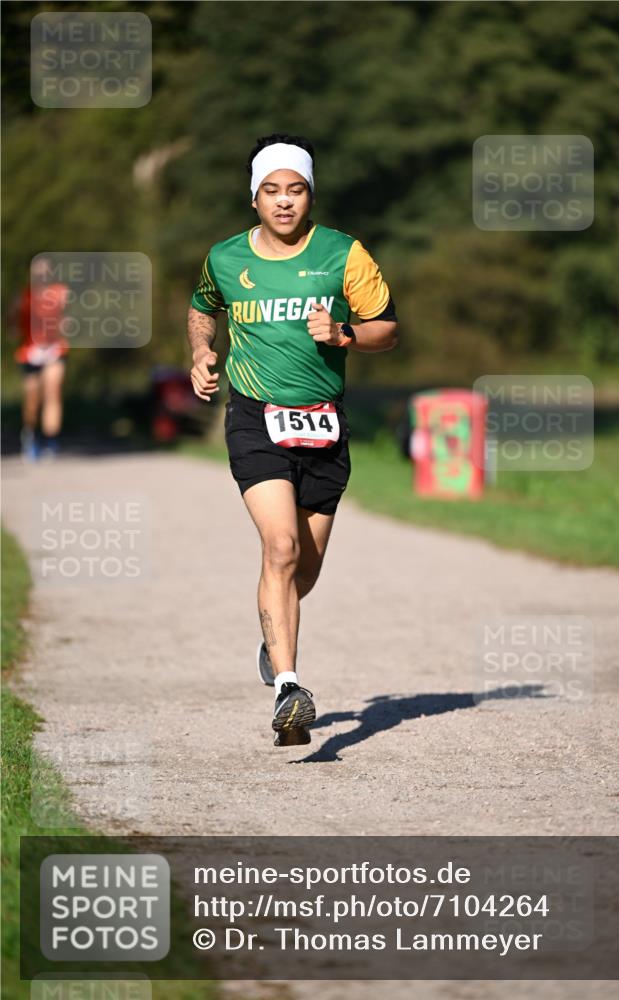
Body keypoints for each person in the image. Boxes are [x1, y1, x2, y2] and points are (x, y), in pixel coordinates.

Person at [188, 133, 398, 746]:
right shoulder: (224, 258)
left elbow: (387, 329)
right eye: (272, 191)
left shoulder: (344, 253)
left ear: (310, 196)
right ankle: (288, 686)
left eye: (295, 190)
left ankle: (272, 629)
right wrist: (202, 350)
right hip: (255, 417)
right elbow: (203, 306)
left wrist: (345, 335)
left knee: (303, 569)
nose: (284, 202)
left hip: (324, 423)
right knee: (278, 548)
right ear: (253, 198)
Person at [13, 256, 69, 461]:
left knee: (53, 391)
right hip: (31, 350)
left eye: (45, 271)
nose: (42, 275)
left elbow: (73, 316)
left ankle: (51, 439)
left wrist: (70, 322)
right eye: (38, 271)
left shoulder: (61, 293)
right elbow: (12, 323)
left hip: (55, 348)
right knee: (32, 399)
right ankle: (30, 433)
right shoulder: (25, 295)